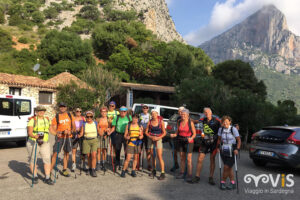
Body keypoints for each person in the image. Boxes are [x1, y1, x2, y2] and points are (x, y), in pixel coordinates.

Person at [191, 107, 221, 184]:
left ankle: (211, 177)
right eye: (205, 112)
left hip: (213, 143)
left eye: (208, 112)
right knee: (200, 159)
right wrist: (187, 119)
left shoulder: (217, 121)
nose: (206, 114)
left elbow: (225, 124)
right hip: (204, 142)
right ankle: (197, 177)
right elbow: (195, 121)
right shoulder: (203, 119)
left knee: (212, 159)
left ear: (211, 113)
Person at [27, 106, 54, 185]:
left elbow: (51, 130)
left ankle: (47, 177)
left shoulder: (47, 119)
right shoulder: (33, 120)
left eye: (42, 110)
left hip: (44, 142)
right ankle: (35, 176)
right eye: (39, 111)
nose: (41, 112)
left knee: (47, 159)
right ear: (36, 112)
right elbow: (30, 132)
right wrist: (34, 136)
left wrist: (57, 134)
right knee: (33, 159)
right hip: (33, 142)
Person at [50, 102, 75, 177]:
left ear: (66, 107)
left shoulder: (70, 115)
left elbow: (74, 126)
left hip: (68, 137)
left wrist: (71, 131)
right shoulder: (56, 117)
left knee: (66, 153)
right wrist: (58, 133)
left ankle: (64, 169)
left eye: (64, 106)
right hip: (60, 138)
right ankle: (50, 169)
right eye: (61, 106)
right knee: (55, 153)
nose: (62, 108)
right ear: (59, 108)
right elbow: (53, 129)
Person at [171, 109, 196, 182]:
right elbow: (177, 132)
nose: (182, 116)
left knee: (188, 159)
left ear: (188, 115)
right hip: (180, 140)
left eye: (184, 114)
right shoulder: (179, 121)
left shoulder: (190, 122)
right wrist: (174, 135)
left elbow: (194, 134)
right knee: (182, 157)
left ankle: (189, 174)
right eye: (181, 114)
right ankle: (182, 172)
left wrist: (191, 138)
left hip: (189, 141)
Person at [217, 116, 241, 190]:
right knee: (229, 168)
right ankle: (233, 183)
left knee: (226, 167)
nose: (225, 123)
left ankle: (223, 182)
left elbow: (239, 140)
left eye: (227, 121)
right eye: (224, 121)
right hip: (224, 149)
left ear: (230, 122)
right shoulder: (221, 130)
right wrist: (218, 147)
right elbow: (219, 140)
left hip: (233, 149)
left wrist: (237, 149)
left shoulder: (233, 129)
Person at [145, 109, 166, 180]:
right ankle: (154, 170)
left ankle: (163, 173)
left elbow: (164, 132)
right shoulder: (150, 122)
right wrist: (151, 137)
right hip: (151, 138)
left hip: (158, 138)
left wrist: (158, 137)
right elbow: (146, 132)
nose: (153, 115)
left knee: (159, 156)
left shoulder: (161, 121)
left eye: (155, 114)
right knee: (152, 155)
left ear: (157, 114)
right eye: (152, 114)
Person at [108, 106, 132, 170]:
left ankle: (126, 164)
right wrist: (109, 132)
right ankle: (117, 163)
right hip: (118, 135)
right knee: (117, 150)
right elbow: (113, 127)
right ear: (120, 111)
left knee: (126, 150)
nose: (123, 112)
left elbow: (132, 126)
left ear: (126, 112)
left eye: (124, 111)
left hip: (126, 135)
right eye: (122, 111)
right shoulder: (117, 117)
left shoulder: (129, 117)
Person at [79, 111, 99, 177]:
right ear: (85, 117)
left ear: (93, 117)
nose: (89, 118)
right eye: (87, 117)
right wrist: (77, 136)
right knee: (88, 156)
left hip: (94, 140)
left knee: (93, 155)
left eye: (90, 116)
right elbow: (81, 133)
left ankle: (93, 169)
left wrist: (104, 132)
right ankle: (90, 168)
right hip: (86, 141)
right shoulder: (84, 124)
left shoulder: (95, 123)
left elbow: (99, 130)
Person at [170, 106, 185, 172]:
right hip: (176, 136)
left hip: (182, 137)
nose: (179, 113)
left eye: (180, 111)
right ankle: (175, 164)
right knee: (174, 152)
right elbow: (177, 127)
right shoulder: (178, 118)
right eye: (179, 111)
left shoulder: (186, 118)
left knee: (182, 154)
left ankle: (184, 168)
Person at [71, 108, 85, 172]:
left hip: (82, 136)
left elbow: (86, 126)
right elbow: (70, 126)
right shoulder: (73, 118)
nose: (78, 112)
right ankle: (73, 164)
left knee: (82, 150)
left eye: (80, 111)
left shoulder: (83, 118)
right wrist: (74, 130)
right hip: (74, 136)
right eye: (77, 111)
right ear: (75, 112)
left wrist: (81, 130)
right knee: (74, 150)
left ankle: (82, 164)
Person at [96, 106, 110, 171]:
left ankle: (103, 163)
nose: (103, 113)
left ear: (107, 112)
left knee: (104, 150)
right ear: (100, 112)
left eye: (105, 111)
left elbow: (111, 127)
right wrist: (99, 131)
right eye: (102, 111)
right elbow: (96, 127)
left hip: (106, 136)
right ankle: (98, 163)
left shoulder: (109, 119)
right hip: (99, 136)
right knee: (99, 150)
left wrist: (108, 130)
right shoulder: (98, 119)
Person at [139, 104, 152, 171]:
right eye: (144, 108)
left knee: (148, 150)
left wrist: (146, 129)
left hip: (147, 134)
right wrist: (140, 128)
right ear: (142, 109)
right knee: (139, 149)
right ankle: (138, 164)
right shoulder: (140, 115)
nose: (145, 109)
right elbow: (138, 123)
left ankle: (149, 164)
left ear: (148, 109)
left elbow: (151, 124)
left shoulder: (150, 115)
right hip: (141, 133)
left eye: (146, 108)